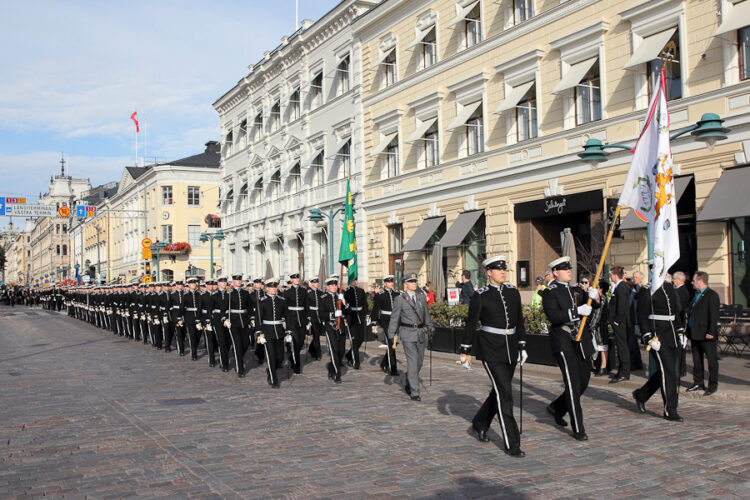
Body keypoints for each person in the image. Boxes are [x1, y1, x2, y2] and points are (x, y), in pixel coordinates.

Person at [461, 256, 527, 458]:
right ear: (489, 272)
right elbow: (471, 324)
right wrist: (466, 351)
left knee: (499, 392)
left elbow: (519, 321)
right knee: (505, 394)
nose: (502, 272)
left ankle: (480, 422)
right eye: (498, 270)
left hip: (511, 348)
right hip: (491, 349)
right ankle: (512, 443)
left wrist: (522, 345)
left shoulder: (513, 293)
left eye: (504, 269)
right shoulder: (481, 295)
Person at [542, 256, 599, 441]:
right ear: (555, 272)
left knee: (583, 382)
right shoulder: (550, 292)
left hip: (581, 341)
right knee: (573, 385)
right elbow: (554, 316)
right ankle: (579, 428)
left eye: (569, 268)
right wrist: (576, 312)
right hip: (563, 341)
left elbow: (594, 306)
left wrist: (595, 296)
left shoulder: (576, 289)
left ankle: (557, 407)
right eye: (565, 269)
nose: (569, 271)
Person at [633, 274, 686, 421]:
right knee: (669, 372)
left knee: (669, 371)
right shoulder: (647, 289)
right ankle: (670, 410)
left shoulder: (670, 287)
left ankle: (641, 395)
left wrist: (681, 331)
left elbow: (677, 312)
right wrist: (648, 336)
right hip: (658, 335)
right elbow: (642, 314)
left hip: (672, 335)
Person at [387, 272, 434, 402]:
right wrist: (391, 334)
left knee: (419, 362)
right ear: (405, 284)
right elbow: (394, 318)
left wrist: (430, 327)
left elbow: (426, 315)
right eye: (411, 281)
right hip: (407, 332)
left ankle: (409, 378)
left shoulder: (421, 297)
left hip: (420, 332)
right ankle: (415, 391)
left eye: (415, 281)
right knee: (412, 362)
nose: (414, 283)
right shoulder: (400, 299)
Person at [686, 271, 720, 396]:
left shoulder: (711, 295)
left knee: (711, 360)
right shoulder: (696, 295)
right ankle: (698, 382)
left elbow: (714, 315)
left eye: (694, 281)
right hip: (695, 332)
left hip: (706, 333)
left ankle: (712, 385)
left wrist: (711, 331)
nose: (692, 282)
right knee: (697, 360)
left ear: (700, 281)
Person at [255, 277, 291, 388]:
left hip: (279, 331)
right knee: (271, 356)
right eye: (271, 287)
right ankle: (273, 379)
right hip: (267, 331)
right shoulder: (262, 301)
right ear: (266, 288)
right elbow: (258, 318)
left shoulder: (281, 300)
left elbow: (287, 316)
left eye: (275, 286)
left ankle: (272, 370)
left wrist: (288, 331)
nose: (274, 289)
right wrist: (259, 333)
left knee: (280, 357)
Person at [319, 275, 348, 384]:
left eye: (335, 285)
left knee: (341, 351)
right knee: (334, 350)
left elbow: (347, 311)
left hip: (341, 327)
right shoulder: (323, 298)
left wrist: (344, 302)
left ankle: (332, 368)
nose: (334, 287)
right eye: (332, 285)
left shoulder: (339, 297)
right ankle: (337, 374)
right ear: (327, 287)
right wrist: (332, 314)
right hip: (330, 327)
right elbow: (321, 314)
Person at [373, 275, 400, 376]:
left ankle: (384, 363)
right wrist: (374, 322)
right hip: (385, 320)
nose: (391, 283)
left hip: (395, 320)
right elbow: (376, 309)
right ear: (384, 283)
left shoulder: (397, 293)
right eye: (388, 282)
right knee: (390, 342)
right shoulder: (380, 295)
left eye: (392, 281)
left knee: (392, 344)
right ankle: (393, 368)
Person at [282, 273, 308, 374]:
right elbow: (285, 307)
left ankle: (292, 355)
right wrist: (285, 320)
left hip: (301, 318)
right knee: (296, 342)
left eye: (297, 278)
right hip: (291, 319)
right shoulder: (287, 292)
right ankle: (297, 365)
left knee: (301, 342)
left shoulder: (303, 290)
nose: (296, 279)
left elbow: (306, 305)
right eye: (294, 278)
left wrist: (308, 319)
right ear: (291, 280)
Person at [608, 266, 631, 382]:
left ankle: (625, 372)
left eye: (611, 274)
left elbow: (622, 306)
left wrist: (617, 321)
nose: (610, 277)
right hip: (617, 322)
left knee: (622, 347)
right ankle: (621, 371)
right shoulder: (617, 287)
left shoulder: (622, 287)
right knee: (620, 347)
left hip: (620, 323)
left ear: (615, 275)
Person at [227, 274, 252, 377]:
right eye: (236, 280)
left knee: (246, 343)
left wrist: (251, 318)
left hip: (244, 321)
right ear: (233, 281)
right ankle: (240, 369)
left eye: (239, 280)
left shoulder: (246, 293)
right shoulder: (229, 293)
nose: (238, 282)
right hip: (234, 321)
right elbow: (225, 307)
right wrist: (225, 319)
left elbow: (249, 306)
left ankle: (238, 356)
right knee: (237, 344)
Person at [344, 279, 369, 370]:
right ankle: (355, 362)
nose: (355, 281)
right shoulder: (346, 292)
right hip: (352, 318)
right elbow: (344, 305)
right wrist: (345, 316)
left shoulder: (361, 290)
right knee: (354, 340)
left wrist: (367, 315)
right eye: (353, 280)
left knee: (361, 338)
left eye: (356, 280)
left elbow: (365, 304)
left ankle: (349, 354)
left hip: (361, 316)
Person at [672, 271, 691, 378]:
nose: (673, 281)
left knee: (680, 348)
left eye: (674, 279)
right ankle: (680, 368)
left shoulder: (682, 291)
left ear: (679, 280)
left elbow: (681, 309)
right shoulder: (679, 290)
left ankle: (680, 369)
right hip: (679, 321)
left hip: (680, 322)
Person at [211, 277, 232, 372]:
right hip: (218, 319)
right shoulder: (214, 294)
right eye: (222, 282)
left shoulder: (230, 294)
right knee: (222, 341)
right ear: (218, 283)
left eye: (225, 282)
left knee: (229, 341)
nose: (224, 283)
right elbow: (210, 308)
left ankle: (224, 355)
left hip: (228, 318)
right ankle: (225, 364)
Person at [590, 280, 610, 376]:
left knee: (602, 346)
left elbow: (598, 313)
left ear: (601, 289)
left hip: (600, 325)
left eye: (597, 287)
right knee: (599, 345)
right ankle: (599, 366)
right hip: (600, 324)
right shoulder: (601, 298)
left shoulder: (602, 298)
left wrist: (593, 325)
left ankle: (603, 367)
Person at [306, 278, 324, 360]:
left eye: (317, 282)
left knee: (318, 334)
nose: (317, 284)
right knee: (316, 335)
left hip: (319, 316)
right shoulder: (308, 293)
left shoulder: (320, 293)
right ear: (312, 283)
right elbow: (306, 306)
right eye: (315, 282)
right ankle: (318, 353)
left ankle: (311, 349)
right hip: (312, 316)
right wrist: (308, 317)